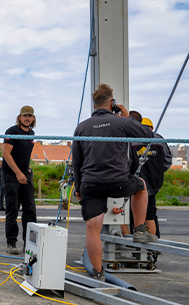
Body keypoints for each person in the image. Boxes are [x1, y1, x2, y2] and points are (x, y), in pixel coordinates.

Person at [72, 83, 158, 282]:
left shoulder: (81, 127)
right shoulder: (121, 122)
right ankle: (139, 230)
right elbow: (147, 136)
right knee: (141, 186)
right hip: (118, 182)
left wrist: (78, 187)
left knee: (93, 226)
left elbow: (77, 161)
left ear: (94, 106)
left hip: (90, 184)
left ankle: (98, 272)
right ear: (112, 103)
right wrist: (126, 117)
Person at [128, 114, 171, 238]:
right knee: (150, 214)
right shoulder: (159, 139)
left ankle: (137, 246)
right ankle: (153, 247)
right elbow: (167, 161)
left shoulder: (130, 139)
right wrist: (156, 171)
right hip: (153, 183)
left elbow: (126, 162)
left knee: (133, 215)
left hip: (135, 183)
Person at [2, 105, 37, 255]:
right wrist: (17, 173)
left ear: (33, 118)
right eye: (25, 116)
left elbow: (24, 154)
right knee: (12, 209)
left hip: (24, 174)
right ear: (20, 117)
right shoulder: (12, 132)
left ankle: (29, 244)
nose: (27, 118)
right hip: (11, 175)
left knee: (30, 210)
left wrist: (27, 168)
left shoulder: (31, 133)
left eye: (30, 116)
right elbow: (6, 154)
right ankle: (11, 242)